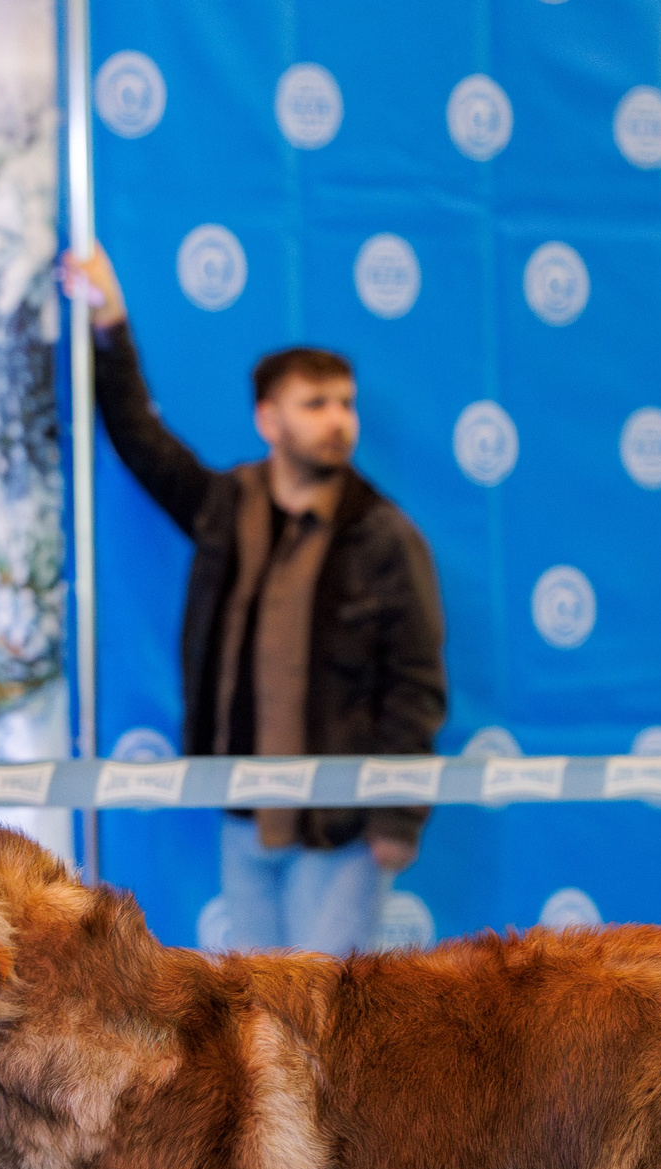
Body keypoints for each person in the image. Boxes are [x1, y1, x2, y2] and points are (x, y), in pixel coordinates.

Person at [65, 247, 447, 956]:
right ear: (269, 420)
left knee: (323, 1021)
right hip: (245, 818)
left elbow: (415, 687)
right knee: (258, 1014)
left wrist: (397, 819)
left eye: (346, 403)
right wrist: (109, 324)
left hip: (338, 830)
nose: (338, 420)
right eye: (316, 404)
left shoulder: (385, 537)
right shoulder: (225, 509)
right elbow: (141, 443)